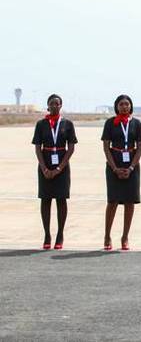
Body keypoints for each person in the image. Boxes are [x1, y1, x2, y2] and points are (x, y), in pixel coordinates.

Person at [32, 94, 77, 250]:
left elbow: (71, 148)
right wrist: (44, 167)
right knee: (45, 199)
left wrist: (60, 167)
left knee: (61, 199)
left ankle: (60, 235)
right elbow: (37, 147)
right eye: (52, 103)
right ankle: (47, 234)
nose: (54, 106)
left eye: (57, 104)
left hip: (62, 165)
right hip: (45, 163)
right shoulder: (41, 124)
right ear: (48, 106)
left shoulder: (67, 124)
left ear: (61, 106)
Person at [101, 94, 141, 251]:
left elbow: (139, 147)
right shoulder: (110, 123)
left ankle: (125, 236)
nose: (124, 107)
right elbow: (106, 147)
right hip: (114, 165)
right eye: (121, 104)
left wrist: (131, 167)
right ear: (116, 106)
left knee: (129, 202)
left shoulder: (136, 124)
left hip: (132, 167)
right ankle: (107, 236)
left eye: (127, 104)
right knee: (112, 202)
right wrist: (114, 168)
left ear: (131, 106)